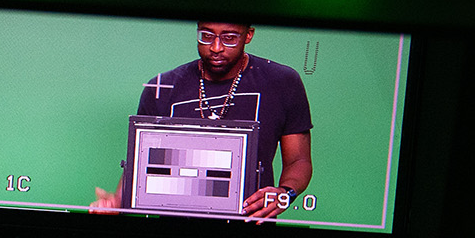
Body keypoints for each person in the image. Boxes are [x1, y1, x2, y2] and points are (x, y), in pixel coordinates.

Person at [91, 21, 313, 220]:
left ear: (248, 35)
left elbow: (298, 161)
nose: (216, 47)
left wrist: (285, 193)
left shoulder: (282, 82)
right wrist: (116, 203)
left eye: (229, 38)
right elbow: (140, 162)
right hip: (175, 236)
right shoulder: (162, 87)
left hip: (251, 233)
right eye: (206, 36)